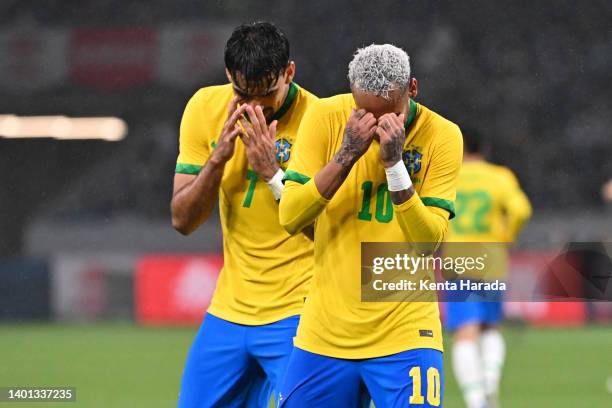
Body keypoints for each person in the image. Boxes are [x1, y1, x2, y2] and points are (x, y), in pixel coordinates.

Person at [278, 43, 463, 407]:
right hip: (325, 334)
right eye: (364, 111)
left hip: (406, 333)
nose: (376, 125)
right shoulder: (324, 117)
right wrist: (346, 154)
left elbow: (430, 243)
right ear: (352, 94)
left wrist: (394, 166)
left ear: (412, 89)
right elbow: (290, 216)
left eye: (389, 114)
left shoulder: (442, 135)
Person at [171, 21, 318, 407]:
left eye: (266, 95)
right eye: (241, 93)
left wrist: (272, 172)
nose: (253, 107)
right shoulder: (205, 108)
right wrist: (218, 158)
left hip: (301, 309)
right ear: (227, 76)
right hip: (229, 310)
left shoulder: (322, 121)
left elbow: (326, 229)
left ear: (290, 72)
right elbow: (182, 220)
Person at [445, 127, 531, 408]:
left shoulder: (449, 175)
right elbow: (521, 210)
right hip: (492, 256)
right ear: (484, 149)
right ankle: (490, 385)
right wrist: (506, 236)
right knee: (491, 326)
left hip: (459, 258)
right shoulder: (499, 177)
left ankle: (475, 399)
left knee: (464, 331)